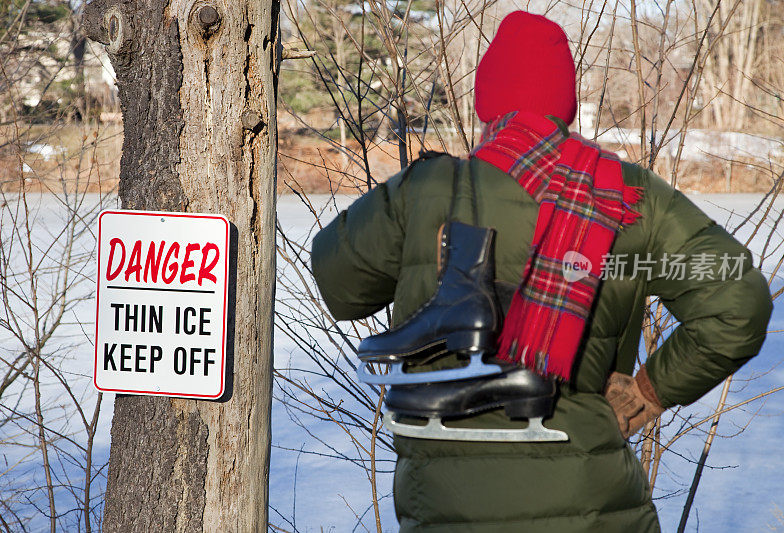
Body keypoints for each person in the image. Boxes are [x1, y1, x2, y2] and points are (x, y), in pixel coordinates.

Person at [310, 10, 773, 532]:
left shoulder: (426, 190)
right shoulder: (628, 195)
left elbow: (339, 286)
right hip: (593, 503)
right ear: (564, 107)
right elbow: (740, 302)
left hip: (447, 504)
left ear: (487, 107)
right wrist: (648, 391)